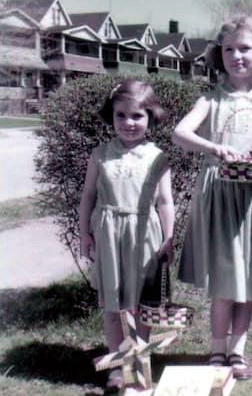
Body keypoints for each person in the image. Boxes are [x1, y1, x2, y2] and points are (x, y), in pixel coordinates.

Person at [172, 15, 252, 381]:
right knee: (226, 277)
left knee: (250, 274)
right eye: (229, 49)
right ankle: (216, 348)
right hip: (220, 195)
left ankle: (238, 352)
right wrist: (214, 147)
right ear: (218, 55)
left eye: (245, 48)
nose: (237, 56)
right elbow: (181, 133)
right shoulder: (211, 99)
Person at [79, 79, 174, 392]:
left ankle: (137, 363)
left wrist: (168, 238)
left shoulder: (157, 157)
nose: (128, 123)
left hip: (144, 234)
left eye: (137, 116)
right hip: (108, 234)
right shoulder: (100, 155)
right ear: (112, 116)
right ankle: (118, 365)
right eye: (121, 115)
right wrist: (85, 235)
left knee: (140, 305)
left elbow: (164, 202)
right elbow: (88, 197)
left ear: (150, 117)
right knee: (113, 302)